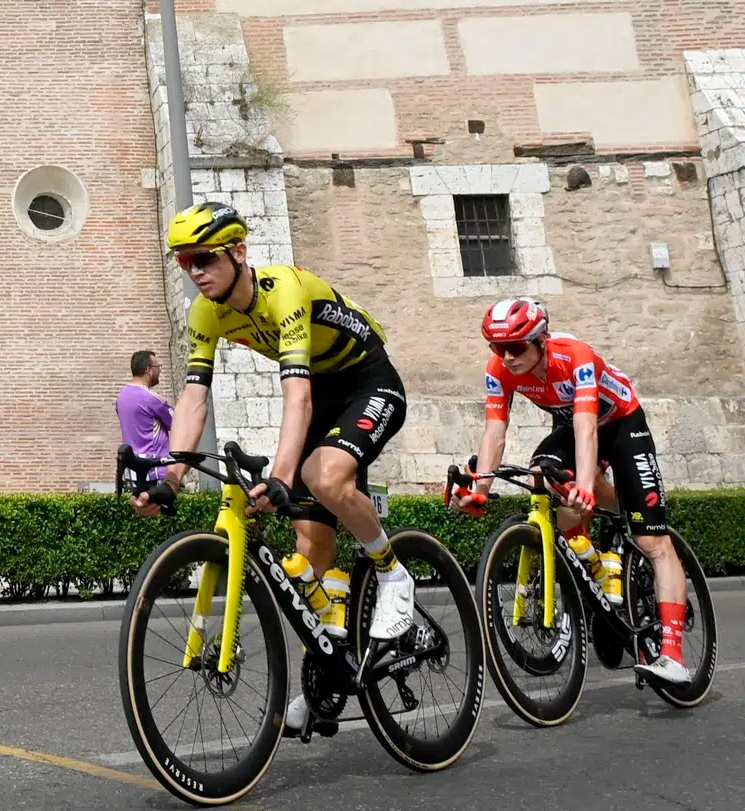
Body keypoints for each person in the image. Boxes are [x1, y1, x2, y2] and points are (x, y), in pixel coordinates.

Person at [131, 201, 414, 735]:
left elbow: (297, 399)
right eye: (184, 262)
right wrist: (171, 477)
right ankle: (329, 672)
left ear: (239, 252)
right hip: (321, 393)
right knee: (310, 548)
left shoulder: (283, 290)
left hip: (365, 381)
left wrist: (282, 475)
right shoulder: (205, 313)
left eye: (205, 258)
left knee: (322, 477)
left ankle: (392, 570)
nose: (195, 271)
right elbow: (193, 398)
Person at [448, 298, 690, 685]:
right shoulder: (500, 370)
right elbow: (495, 430)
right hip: (573, 424)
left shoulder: (575, 357)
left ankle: (674, 657)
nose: (506, 357)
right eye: (496, 347)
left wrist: (585, 485)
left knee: (651, 541)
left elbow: (587, 428)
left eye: (515, 348)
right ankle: (596, 561)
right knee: (540, 477)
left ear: (540, 339)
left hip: (622, 424)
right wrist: (481, 487)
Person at [116, 350, 173, 484]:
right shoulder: (151, 398)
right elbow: (177, 423)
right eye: (158, 367)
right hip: (153, 469)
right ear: (148, 370)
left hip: (132, 471)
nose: (159, 371)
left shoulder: (121, 397)